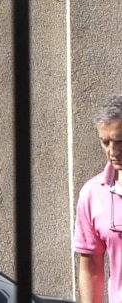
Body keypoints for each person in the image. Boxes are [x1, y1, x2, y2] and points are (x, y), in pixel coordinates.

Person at [74, 94, 122, 303]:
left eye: (120, 141)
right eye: (105, 142)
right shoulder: (92, 194)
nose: (113, 151)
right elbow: (91, 269)